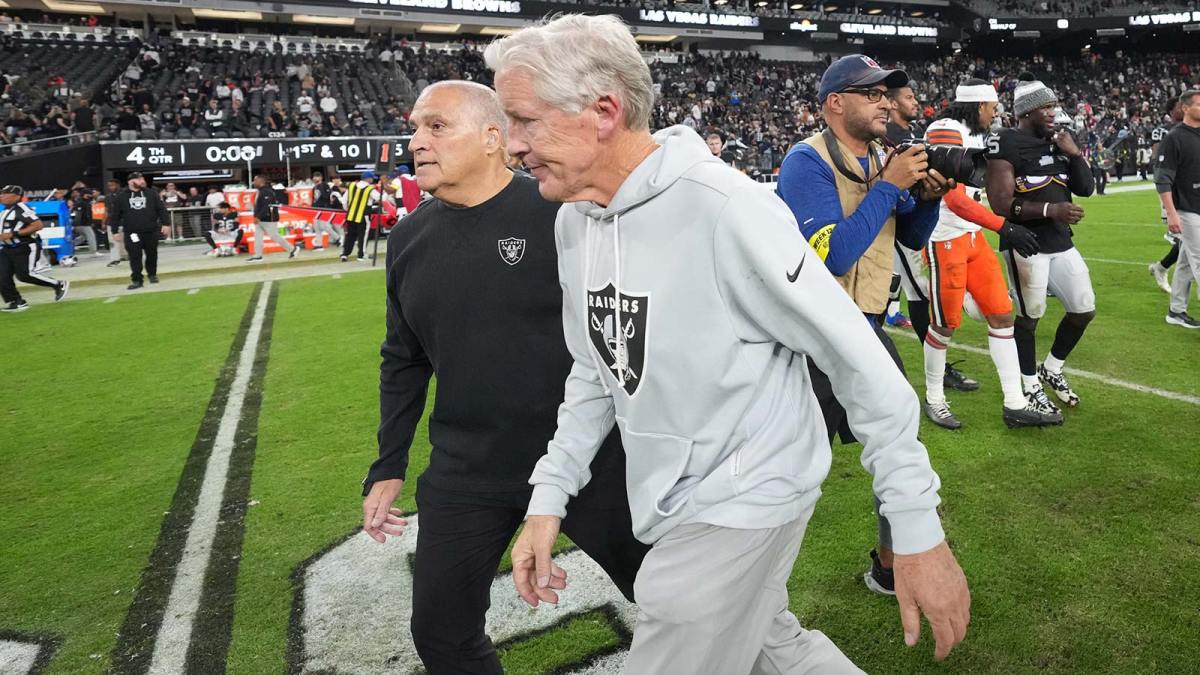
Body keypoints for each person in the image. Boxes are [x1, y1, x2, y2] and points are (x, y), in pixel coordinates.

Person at [489, 18, 970, 673]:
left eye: (523, 120)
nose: (511, 146)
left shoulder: (725, 208)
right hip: (675, 501)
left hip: (746, 499)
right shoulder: (575, 221)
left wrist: (915, 528)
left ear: (603, 111)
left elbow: (860, 362)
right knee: (778, 650)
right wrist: (548, 499)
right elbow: (597, 370)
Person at [361, 79, 647, 674]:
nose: (416, 140)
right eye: (415, 127)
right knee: (440, 633)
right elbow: (403, 357)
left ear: (494, 137)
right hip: (469, 469)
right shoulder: (409, 237)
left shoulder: (560, 213)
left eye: (436, 126)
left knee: (681, 601)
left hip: (589, 461)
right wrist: (389, 463)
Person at [777, 54, 947, 597]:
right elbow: (833, 256)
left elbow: (911, 239)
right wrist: (889, 184)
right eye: (870, 93)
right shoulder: (805, 162)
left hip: (865, 327)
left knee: (898, 440)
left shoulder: (882, 156)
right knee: (790, 468)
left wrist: (928, 200)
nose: (884, 102)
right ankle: (741, 579)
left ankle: (890, 566)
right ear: (835, 103)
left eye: (885, 93)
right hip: (812, 338)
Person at [918, 81, 1062, 429]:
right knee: (944, 323)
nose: (995, 112)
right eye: (991, 106)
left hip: (972, 236)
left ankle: (1015, 403)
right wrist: (1003, 226)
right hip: (945, 237)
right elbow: (951, 196)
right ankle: (934, 398)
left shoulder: (978, 133)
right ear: (978, 104)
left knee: (1001, 314)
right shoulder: (945, 130)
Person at [985, 74, 1095, 413]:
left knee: (1083, 309)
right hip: (1027, 243)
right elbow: (1001, 204)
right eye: (1046, 106)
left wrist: (1075, 155)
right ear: (1027, 111)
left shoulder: (1060, 140)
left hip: (1061, 241)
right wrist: (1053, 208)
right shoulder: (1005, 141)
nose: (1053, 112)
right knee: (1030, 316)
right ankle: (1030, 384)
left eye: (1054, 105)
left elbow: (1086, 188)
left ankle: (1053, 368)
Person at [1156, 90, 1200, 329]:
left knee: (1185, 262)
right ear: (1185, 108)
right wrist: (1171, 213)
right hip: (1187, 208)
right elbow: (1162, 178)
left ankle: (1176, 310)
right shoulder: (1174, 137)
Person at [0, 185, 69, 311]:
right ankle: (16, 301)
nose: (1, 196)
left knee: (25, 275)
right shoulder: (5, 210)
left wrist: (13, 234)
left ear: (16, 196)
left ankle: (58, 284)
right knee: (2, 275)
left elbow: (38, 225)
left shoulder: (21, 208)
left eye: (5, 193)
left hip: (24, 246)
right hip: (6, 248)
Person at [108, 172, 170, 290]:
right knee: (135, 256)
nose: (142, 181)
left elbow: (161, 209)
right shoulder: (121, 197)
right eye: (139, 179)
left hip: (151, 230)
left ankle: (152, 274)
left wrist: (166, 224)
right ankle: (137, 280)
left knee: (152, 254)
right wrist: (114, 231)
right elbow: (115, 215)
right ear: (131, 182)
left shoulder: (151, 193)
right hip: (132, 232)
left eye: (142, 179)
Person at [1149, 98, 1186, 293]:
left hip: (1192, 187)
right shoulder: (1163, 131)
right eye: (1181, 106)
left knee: (1188, 242)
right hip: (1174, 187)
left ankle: (1161, 268)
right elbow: (1157, 158)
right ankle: (1162, 269)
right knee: (1187, 240)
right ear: (1172, 110)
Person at [246, 174, 298, 262]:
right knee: (257, 237)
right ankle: (258, 255)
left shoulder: (267, 191)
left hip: (269, 218)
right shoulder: (260, 191)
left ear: (261, 181)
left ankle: (292, 249)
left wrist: (258, 216)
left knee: (274, 236)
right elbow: (259, 206)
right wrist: (256, 216)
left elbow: (267, 206)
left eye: (255, 180)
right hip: (261, 219)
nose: (253, 182)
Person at [340, 171, 377, 262]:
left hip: (351, 215)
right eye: (371, 178)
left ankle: (345, 254)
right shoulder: (369, 189)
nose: (372, 180)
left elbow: (344, 201)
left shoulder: (352, 186)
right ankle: (361, 254)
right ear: (368, 179)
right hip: (363, 215)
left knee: (350, 235)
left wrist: (348, 210)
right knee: (363, 236)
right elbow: (380, 198)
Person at [101, 178, 127, 268]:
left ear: (117, 185)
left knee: (125, 241)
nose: (110, 187)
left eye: (112, 185)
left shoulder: (125, 194)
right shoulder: (108, 197)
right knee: (113, 242)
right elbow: (106, 210)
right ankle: (115, 259)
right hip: (112, 222)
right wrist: (103, 222)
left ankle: (125, 255)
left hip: (124, 221)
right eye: (109, 185)